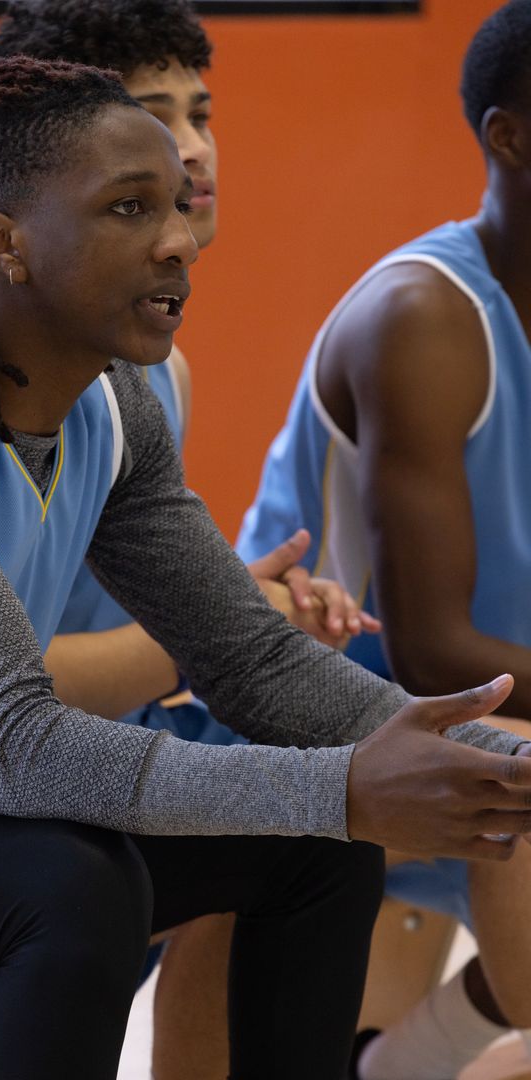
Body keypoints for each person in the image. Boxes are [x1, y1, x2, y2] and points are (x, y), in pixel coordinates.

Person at [0, 49, 530, 1080]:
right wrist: (343, 788)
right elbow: (16, 743)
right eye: (127, 209)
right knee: (74, 876)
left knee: (313, 851)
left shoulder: (115, 404)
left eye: (179, 208)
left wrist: (499, 761)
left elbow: (257, 664)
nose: (180, 242)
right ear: (3, 243)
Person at [237, 2, 531, 1077]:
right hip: (306, 712)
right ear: (510, 136)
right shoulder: (425, 319)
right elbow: (435, 655)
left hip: (491, 713)